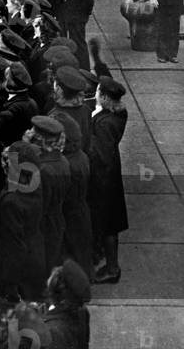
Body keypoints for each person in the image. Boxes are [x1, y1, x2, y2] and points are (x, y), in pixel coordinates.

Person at [89, 77, 129, 284]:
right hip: (112, 175)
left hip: (103, 181)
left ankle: (112, 269)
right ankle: (110, 265)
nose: (95, 94)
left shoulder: (105, 123)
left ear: (104, 97)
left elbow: (100, 155)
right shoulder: (118, 113)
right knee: (110, 223)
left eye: (97, 92)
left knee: (107, 225)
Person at [62, 0, 92, 70]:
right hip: (74, 18)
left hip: (77, 18)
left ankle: (85, 69)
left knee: (79, 44)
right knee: (76, 43)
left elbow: (89, 0)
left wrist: (83, 15)